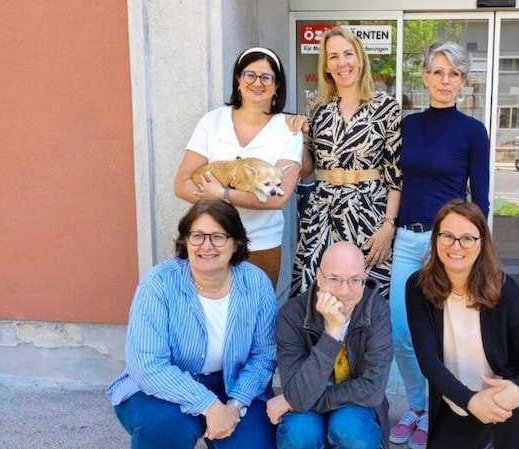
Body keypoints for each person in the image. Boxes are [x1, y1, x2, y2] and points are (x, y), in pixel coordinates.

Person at [107, 200, 277, 449]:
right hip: (164, 389)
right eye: (197, 236)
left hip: (233, 385)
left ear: (236, 243)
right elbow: (146, 364)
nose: (206, 246)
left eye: (218, 236)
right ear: (185, 241)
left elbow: (264, 356)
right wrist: (207, 404)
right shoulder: (159, 283)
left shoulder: (256, 283)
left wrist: (235, 405)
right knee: (166, 425)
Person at [388, 41, 491, 448]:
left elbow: (479, 200)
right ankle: (416, 405)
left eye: (454, 74)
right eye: (438, 71)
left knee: (440, 336)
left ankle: (439, 410)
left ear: (463, 82)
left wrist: (469, 249)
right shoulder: (407, 126)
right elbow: (394, 181)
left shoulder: (472, 131)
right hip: (406, 240)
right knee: (401, 331)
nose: (445, 80)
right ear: (425, 77)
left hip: (446, 247)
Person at [406, 199, 519, 449]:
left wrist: (517, 390)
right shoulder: (418, 287)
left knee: (511, 412)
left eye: (467, 238)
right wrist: (470, 401)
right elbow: (429, 362)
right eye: (447, 236)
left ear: (482, 243)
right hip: (458, 395)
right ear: (435, 239)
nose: (456, 246)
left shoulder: (504, 289)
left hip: (507, 385)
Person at [288, 26, 402, 298]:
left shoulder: (386, 107)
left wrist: (389, 226)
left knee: (366, 293)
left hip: (369, 213)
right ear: (326, 65)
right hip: (322, 211)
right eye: (334, 56)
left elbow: (395, 175)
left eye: (348, 54)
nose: (342, 63)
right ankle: (321, 343)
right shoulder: (317, 108)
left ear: (360, 58)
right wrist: (301, 137)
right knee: (318, 291)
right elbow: (306, 170)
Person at [174, 47, 303, 288]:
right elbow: (181, 184)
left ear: (277, 86)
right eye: (250, 75)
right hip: (209, 242)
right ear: (238, 80)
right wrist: (217, 200)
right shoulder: (212, 122)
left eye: (266, 77)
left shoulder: (288, 129)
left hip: (261, 244)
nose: (257, 83)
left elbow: (277, 198)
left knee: (257, 316)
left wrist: (222, 195)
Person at [267, 241, 393, 449]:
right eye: (334, 279)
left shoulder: (377, 310)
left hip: (356, 403)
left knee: (350, 428)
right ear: (318, 276)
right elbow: (296, 393)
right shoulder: (292, 315)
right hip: (305, 398)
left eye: (354, 280)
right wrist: (332, 333)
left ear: (364, 279)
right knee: (300, 433)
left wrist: (294, 400)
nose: (344, 292)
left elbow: (372, 389)